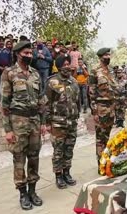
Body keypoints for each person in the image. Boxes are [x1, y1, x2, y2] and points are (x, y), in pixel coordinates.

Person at [0, 41, 46, 210]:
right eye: (26, 53)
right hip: (18, 122)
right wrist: (8, 130)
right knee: (19, 159)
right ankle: (22, 193)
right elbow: (4, 104)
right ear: (18, 54)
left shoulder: (35, 74)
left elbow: (42, 100)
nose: (29, 55)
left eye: (30, 53)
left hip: (34, 121)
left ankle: (33, 191)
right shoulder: (9, 73)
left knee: (34, 157)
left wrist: (43, 122)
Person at [45, 54, 80, 189]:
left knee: (69, 149)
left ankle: (67, 172)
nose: (67, 66)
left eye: (68, 64)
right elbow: (46, 104)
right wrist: (47, 123)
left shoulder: (74, 81)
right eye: (64, 64)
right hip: (58, 123)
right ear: (59, 67)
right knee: (58, 150)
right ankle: (58, 175)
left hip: (72, 122)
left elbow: (77, 101)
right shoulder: (52, 82)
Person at [88, 48, 118, 174]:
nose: (108, 56)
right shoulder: (94, 71)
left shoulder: (111, 71)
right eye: (106, 55)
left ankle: (106, 162)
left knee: (107, 137)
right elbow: (91, 93)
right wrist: (94, 112)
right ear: (100, 57)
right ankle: (101, 165)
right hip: (100, 108)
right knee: (100, 139)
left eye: (109, 54)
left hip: (111, 108)